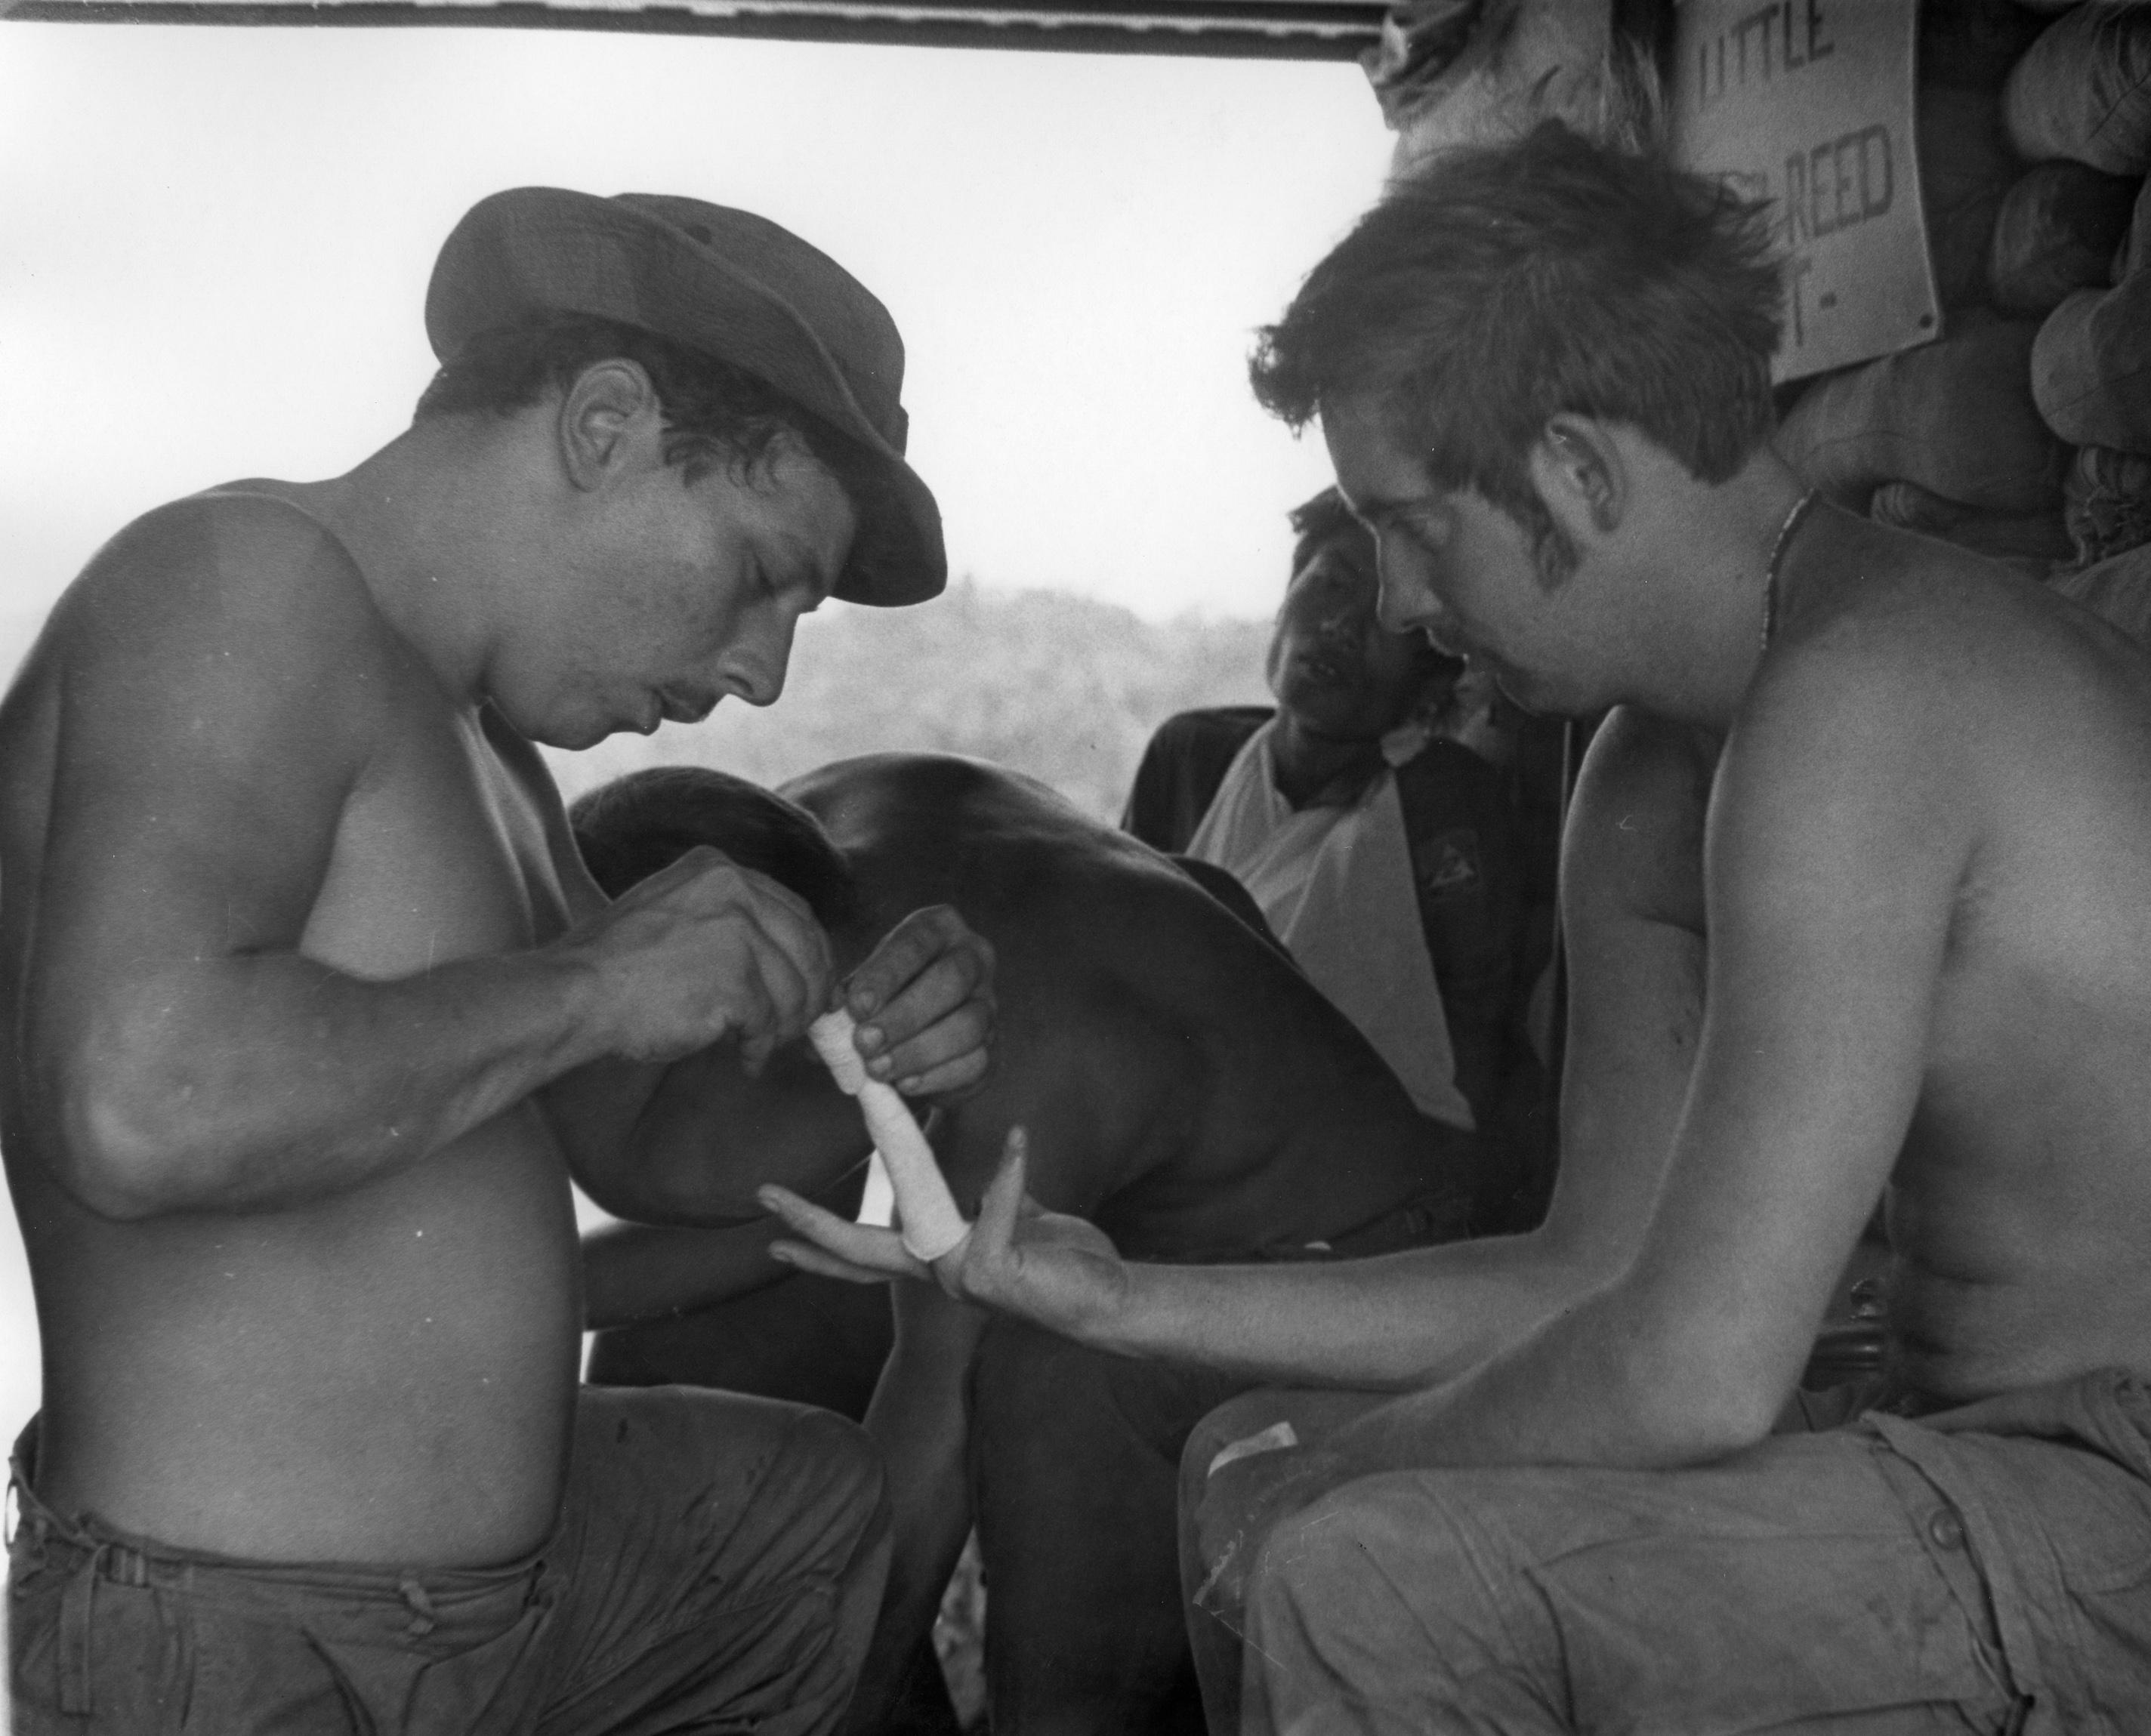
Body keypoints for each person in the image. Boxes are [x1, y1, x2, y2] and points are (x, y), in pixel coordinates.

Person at [770, 124, 2151, 1731]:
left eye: (1411, 524)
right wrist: (1118, 1299)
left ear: (1578, 471)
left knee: (1360, 1566)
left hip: (2141, 1497)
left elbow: (1696, 1367)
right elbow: (1594, 1273)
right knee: (1243, 1447)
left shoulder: (1864, 696)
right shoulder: (1650, 767)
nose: (1392, 599)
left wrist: (1323, 1487)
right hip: (1967, 1455)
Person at [0, 187, 1000, 1734]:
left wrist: (877, 1057)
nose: (761, 670)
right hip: (249, 1627)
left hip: (518, 1594)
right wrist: (596, 983)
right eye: (761, 574)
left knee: (811, 1518)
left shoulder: (492, 758)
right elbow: (139, 1103)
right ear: (605, 427)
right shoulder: (240, 582)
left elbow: (644, 1141)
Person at [565, 754, 1506, 1734]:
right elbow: (790, 1204)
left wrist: (811, 1710)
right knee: (677, 1341)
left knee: (1038, 1386)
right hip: (1115, 1229)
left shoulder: (1020, 1046)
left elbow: (933, 1415)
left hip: (1346, 1285)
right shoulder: (825, 842)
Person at [1123, 486, 1543, 1143]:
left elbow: (1469, 1063)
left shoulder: (1442, 806)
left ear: (1434, 676)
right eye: (1331, 583)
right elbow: (1120, 974)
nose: (1342, 625)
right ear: (1289, 588)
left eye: (1386, 618)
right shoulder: (1191, 758)